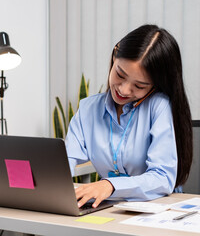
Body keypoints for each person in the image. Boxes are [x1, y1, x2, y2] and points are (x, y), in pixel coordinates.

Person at [65, 24, 192, 208]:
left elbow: (162, 178)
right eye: (120, 74)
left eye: (139, 86)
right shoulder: (88, 109)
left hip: (158, 209)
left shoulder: (159, 106)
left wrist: (110, 184)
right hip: (109, 209)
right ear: (114, 57)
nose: (124, 90)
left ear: (155, 85)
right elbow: (65, 160)